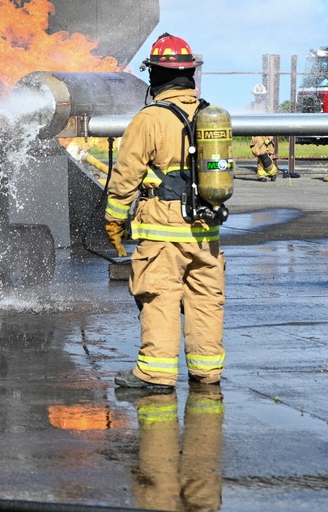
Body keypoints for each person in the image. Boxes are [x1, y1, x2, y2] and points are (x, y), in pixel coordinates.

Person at [105, 33, 226, 391]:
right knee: (205, 300)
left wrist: (114, 218)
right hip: (207, 229)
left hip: (163, 229)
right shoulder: (209, 115)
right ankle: (207, 371)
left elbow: (126, 173)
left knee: (159, 296)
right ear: (189, 74)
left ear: (155, 76)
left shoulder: (150, 119)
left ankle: (155, 373)